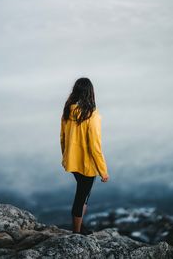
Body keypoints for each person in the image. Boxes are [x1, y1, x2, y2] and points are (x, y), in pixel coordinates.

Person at [60, 77, 109, 235]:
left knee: (84, 194)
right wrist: (103, 171)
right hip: (87, 165)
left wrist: (66, 157)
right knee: (81, 197)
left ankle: (80, 226)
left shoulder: (68, 110)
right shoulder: (92, 116)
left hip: (72, 162)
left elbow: (62, 137)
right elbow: (95, 147)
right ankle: (76, 233)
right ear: (90, 93)